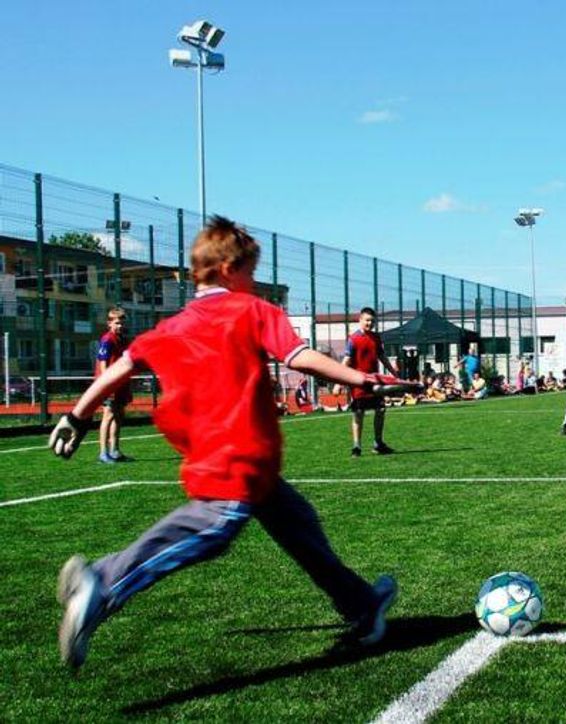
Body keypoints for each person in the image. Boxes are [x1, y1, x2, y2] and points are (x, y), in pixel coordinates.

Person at [48, 216, 397, 670]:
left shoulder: (174, 324)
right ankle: (104, 583)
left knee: (298, 524)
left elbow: (123, 367)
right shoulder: (252, 310)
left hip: (241, 461)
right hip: (239, 455)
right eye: (251, 272)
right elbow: (299, 357)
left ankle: (362, 604)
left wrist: (76, 416)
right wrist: (362, 379)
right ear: (231, 269)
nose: (254, 281)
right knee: (215, 526)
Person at [339, 307, 400, 457]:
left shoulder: (376, 337)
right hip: (359, 382)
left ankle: (378, 444)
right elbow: (346, 361)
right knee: (358, 413)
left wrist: (393, 373)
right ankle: (356, 446)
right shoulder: (353, 339)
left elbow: (382, 357)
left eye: (372, 321)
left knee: (381, 410)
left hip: (374, 381)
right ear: (360, 320)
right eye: (367, 320)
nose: (370, 323)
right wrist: (338, 382)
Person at [95, 307, 131, 464]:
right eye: (117, 323)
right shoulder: (107, 339)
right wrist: (106, 383)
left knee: (118, 416)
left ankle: (114, 450)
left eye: (122, 323)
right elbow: (103, 362)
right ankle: (103, 453)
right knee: (108, 416)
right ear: (109, 323)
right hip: (110, 384)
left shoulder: (123, 339)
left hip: (120, 383)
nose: (120, 326)